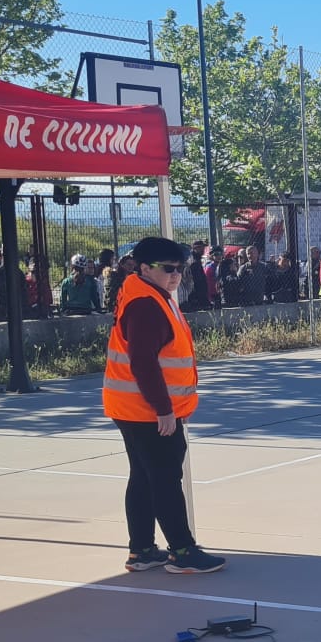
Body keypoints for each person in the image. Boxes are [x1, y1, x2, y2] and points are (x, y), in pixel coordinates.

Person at [102, 235, 224, 574]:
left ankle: (141, 550)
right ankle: (182, 551)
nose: (176, 275)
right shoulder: (146, 304)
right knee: (165, 478)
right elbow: (143, 362)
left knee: (144, 477)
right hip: (146, 410)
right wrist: (163, 409)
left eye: (180, 269)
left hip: (132, 406)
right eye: (168, 269)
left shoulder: (148, 293)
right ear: (144, 268)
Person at [180, 243, 212, 312]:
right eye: (200, 247)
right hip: (194, 295)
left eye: (203, 247)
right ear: (195, 248)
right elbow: (195, 280)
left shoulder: (198, 260)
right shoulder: (193, 261)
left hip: (196, 293)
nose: (203, 249)